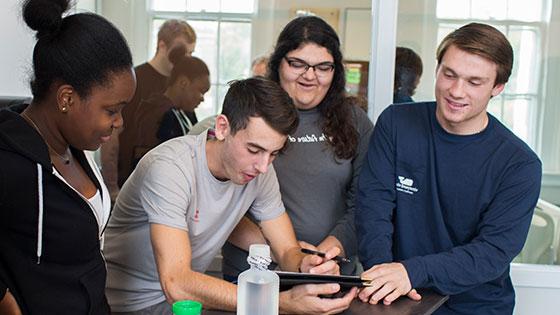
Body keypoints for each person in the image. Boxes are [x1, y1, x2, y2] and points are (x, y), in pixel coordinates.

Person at [104, 77, 357, 314]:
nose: (263, 166)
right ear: (223, 127)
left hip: (186, 305)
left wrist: (305, 265)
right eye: (254, 149)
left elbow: (286, 249)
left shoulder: (260, 171)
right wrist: (277, 303)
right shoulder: (170, 167)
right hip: (122, 306)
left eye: (274, 153)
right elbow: (177, 283)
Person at [356, 23, 542, 314]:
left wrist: (409, 272)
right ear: (437, 69)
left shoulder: (519, 164)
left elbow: (492, 252)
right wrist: (383, 277)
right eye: (449, 74)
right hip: (397, 298)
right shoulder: (396, 124)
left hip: (476, 306)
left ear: (498, 88)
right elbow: (373, 207)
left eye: (474, 82)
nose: (456, 91)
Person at [0, 0, 135, 313]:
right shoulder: (10, 160)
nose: (119, 123)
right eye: (111, 110)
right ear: (67, 98)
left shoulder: (75, 147)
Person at [222, 15, 374, 280]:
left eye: (323, 67)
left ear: (335, 71)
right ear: (278, 63)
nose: (310, 76)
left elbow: (366, 202)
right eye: (298, 64)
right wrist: (286, 252)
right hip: (255, 272)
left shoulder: (355, 120)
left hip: (330, 270)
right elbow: (220, 200)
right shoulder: (250, 112)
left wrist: (325, 254)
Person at [101, 19, 197, 201]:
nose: (185, 58)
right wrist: (112, 188)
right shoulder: (133, 81)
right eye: (182, 51)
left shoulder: (183, 87)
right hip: (130, 186)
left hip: (169, 189)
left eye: (190, 53)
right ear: (162, 45)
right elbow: (111, 136)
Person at [129, 45, 209, 169]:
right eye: (201, 91)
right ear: (183, 82)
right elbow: (147, 161)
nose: (202, 98)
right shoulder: (155, 113)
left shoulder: (187, 114)